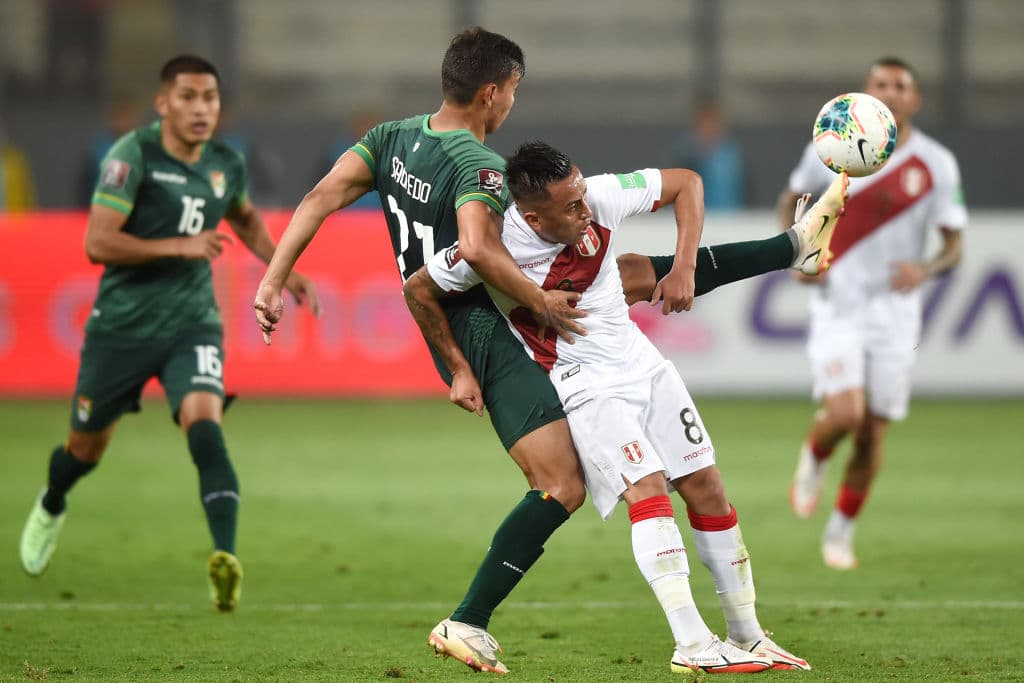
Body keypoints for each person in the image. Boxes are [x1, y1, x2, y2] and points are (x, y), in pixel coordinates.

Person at [253, 27, 840, 674]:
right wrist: (515, 315)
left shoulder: (393, 136)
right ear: (490, 92)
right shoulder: (480, 173)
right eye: (512, 92)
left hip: (491, 311)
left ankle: (790, 249)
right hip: (477, 319)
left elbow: (319, 197)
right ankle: (477, 621)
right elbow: (472, 254)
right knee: (563, 480)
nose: (512, 106)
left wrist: (272, 278)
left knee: (626, 274)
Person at [405, 141, 839, 673]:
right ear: (533, 215)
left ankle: (747, 635)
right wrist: (459, 368)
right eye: (571, 208)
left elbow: (686, 184)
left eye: (583, 195)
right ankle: (692, 643)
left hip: (644, 364)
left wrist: (683, 266)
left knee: (707, 486)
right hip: (584, 383)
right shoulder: (494, 248)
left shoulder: (595, 196)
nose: (586, 211)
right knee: (648, 490)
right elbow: (418, 290)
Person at [18, 55, 321, 612]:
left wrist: (284, 269)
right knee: (83, 452)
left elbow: (246, 219)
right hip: (122, 329)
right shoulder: (131, 156)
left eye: (210, 97)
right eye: (188, 96)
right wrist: (177, 246)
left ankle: (224, 558)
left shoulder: (226, 161)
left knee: (204, 428)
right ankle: (53, 501)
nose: (201, 108)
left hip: (192, 324)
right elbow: (98, 243)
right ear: (163, 103)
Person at [779, 57, 966, 570]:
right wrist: (796, 251)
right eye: (881, 84)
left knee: (871, 433)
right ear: (867, 93)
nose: (891, 92)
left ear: (915, 98)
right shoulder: (832, 142)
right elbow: (792, 200)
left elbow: (955, 245)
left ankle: (840, 533)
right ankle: (814, 457)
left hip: (896, 314)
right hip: (839, 303)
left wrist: (926, 270)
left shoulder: (936, 164)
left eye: (901, 86)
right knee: (846, 414)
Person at [670, 96, 746, 209]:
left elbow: (744, 190)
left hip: (731, 219)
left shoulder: (732, 154)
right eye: (704, 123)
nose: (709, 128)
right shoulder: (686, 155)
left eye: (712, 122)